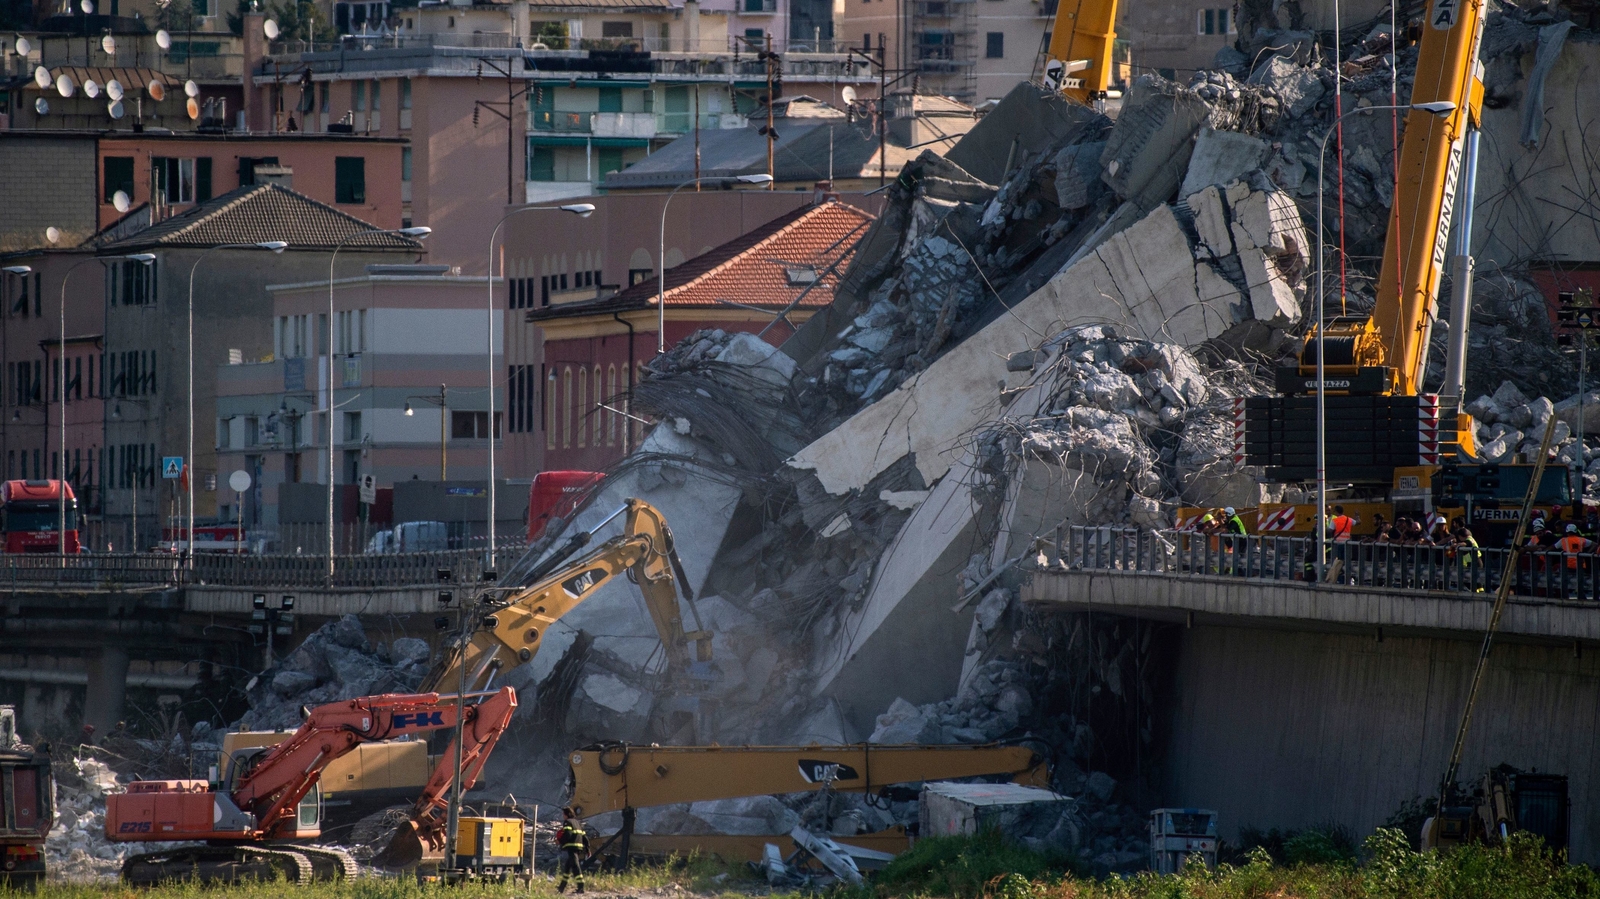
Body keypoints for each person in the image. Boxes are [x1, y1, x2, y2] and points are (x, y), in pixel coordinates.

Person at [557, 807, 589, 894]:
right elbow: (584, 837)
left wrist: (560, 841)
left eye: (563, 814)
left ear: (566, 814)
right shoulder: (577, 823)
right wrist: (587, 848)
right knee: (567, 867)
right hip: (578, 848)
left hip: (572, 848)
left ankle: (581, 886)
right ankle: (561, 887)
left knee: (575, 866)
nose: (563, 816)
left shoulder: (567, 822)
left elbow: (568, 834)